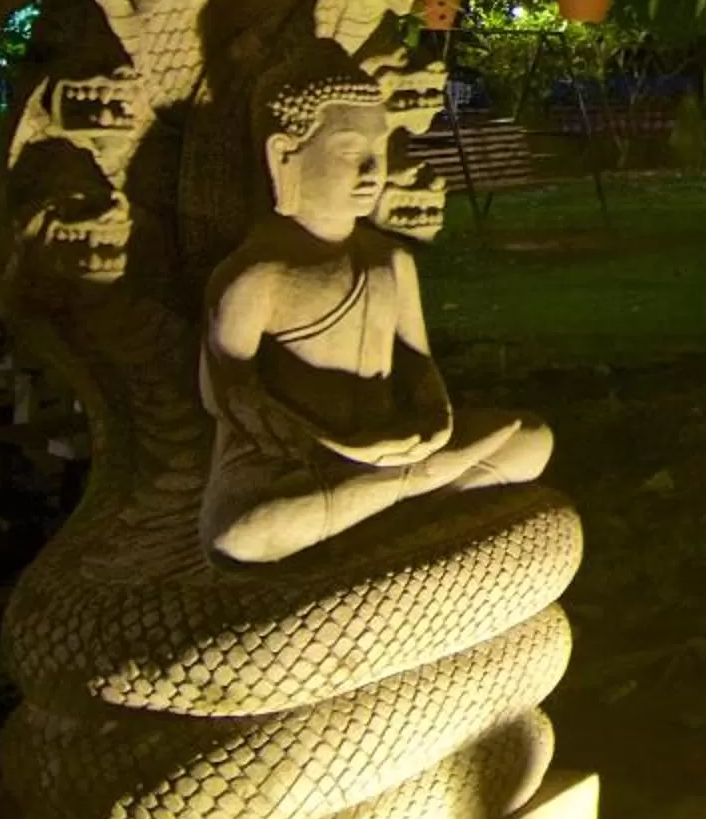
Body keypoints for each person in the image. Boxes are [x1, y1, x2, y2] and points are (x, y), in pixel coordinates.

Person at [199, 57, 549, 563]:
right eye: (348, 151)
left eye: (378, 151)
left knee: (533, 439)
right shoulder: (258, 274)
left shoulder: (390, 261)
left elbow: (417, 363)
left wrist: (433, 421)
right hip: (303, 467)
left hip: (392, 448)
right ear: (283, 156)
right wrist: (323, 443)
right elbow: (225, 394)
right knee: (240, 535)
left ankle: (387, 508)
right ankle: (410, 502)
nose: (370, 170)